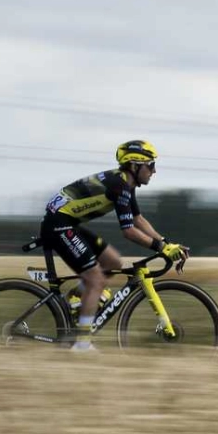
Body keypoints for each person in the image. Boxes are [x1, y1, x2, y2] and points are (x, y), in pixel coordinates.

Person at [41, 140, 188, 350]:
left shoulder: (125, 183)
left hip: (66, 223)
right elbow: (129, 231)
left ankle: (75, 298)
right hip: (58, 226)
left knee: (113, 261)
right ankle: (82, 344)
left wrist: (165, 243)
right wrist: (160, 248)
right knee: (96, 280)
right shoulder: (120, 186)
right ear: (135, 166)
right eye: (151, 165)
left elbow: (138, 219)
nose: (154, 171)